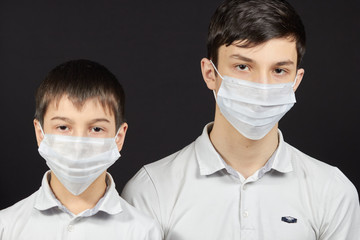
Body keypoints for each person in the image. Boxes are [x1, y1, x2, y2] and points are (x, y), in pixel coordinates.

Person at [121, 0, 360, 239]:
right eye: (243, 66)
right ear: (209, 73)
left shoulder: (333, 191)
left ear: (295, 82)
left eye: (279, 71)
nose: (261, 87)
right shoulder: (150, 190)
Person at [0, 59, 161, 239]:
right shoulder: (6, 227)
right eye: (63, 127)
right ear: (40, 133)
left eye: (96, 129)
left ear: (119, 137)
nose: (78, 145)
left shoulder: (143, 232)